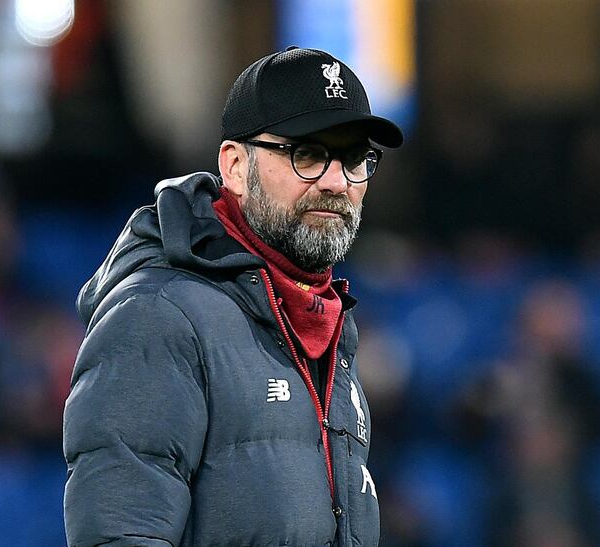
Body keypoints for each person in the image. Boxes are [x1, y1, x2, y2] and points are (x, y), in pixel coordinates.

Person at [62, 46, 403, 546]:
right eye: (307, 154)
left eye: (355, 159)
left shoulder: (322, 319)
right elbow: (121, 534)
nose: (337, 182)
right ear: (236, 166)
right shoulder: (158, 316)